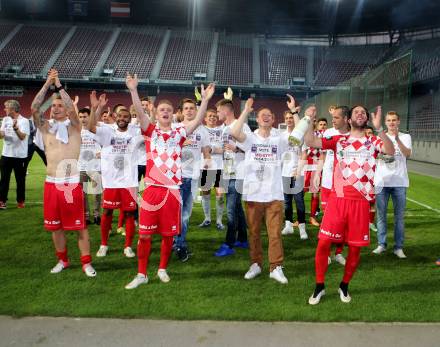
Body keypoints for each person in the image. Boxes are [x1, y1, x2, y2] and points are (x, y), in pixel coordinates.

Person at [124, 74, 215, 289]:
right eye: (161, 110)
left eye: (168, 110)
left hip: (173, 190)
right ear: (155, 114)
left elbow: (198, 119)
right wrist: (133, 90)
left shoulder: (179, 133)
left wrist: (205, 101)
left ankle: (162, 268)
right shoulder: (150, 131)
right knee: (145, 234)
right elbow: (139, 110)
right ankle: (141, 274)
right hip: (153, 189)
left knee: (167, 234)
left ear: (172, 114)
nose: (164, 112)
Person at [305, 104, 394, 304]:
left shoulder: (373, 140)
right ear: (349, 119)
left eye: (364, 112)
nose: (361, 114)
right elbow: (310, 140)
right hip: (338, 200)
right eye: (356, 112)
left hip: (361, 202)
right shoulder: (339, 140)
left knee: (354, 249)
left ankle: (344, 286)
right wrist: (309, 120)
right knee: (323, 243)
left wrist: (380, 128)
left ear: (367, 119)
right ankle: (319, 286)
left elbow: (390, 151)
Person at [30, 68, 96, 277]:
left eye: (60, 106)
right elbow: (34, 107)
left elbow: (71, 108)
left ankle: (86, 263)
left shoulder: (74, 126)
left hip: (71, 183)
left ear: (67, 110)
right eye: (54, 106)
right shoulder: (45, 127)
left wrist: (58, 85)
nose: (56, 108)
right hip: (51, 183)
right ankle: (63, 260)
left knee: (80, 227)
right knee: (55, 227)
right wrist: (47, 84)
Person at [230, 99, 288, 284]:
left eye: (269, 115)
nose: (265, 117)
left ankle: (275, 267)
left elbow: (297, 137)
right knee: (254, 233)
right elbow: (234, 132)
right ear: (257, 118)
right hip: (253, 194)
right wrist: (246, 110)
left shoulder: (279, 139)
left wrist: (296, 113)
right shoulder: (250, 138)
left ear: (273, 120)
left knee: (275, 234)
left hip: (274, 195)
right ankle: (255, 264)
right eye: (262, 115)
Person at [88, 93, 141, 259]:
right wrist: (96, 107)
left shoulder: (135, 132)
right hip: (111, 181)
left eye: (126, 116)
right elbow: (90, 127)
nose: (123, 118)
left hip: (129, 181)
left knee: (131, 214)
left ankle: (128, 246)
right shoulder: (107, 131)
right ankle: (103, 244)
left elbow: (150, 126)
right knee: (107, 212)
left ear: (129, 119)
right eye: (120, 116)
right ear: (115, 116)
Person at [176, 98, 211, 262]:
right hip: (177, 176)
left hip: (193, 176)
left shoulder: (202, 130)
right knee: (177, 214)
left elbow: (206, 152)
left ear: (196, 111)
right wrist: (181, 143)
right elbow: (166, 149)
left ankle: (178, 243)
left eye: (192, 108)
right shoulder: (176, 128)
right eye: (186, 108)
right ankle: (179, 245)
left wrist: (207, 162)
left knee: (186, 214)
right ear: (182, 111)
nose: (189, 111)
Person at [315, 106, 351, 265]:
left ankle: (338, 252)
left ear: (345, 119)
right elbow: (322, 155)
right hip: (328, 182)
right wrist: (317, 173)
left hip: (344, 186)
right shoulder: (328, 133)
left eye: (336, 117)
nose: (333, 120)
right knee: (327, 220)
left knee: (344, 221)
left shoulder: (354, 135)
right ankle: (326, 253)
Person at [373, 111, 412, 259]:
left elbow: (407, 154)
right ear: (385, 122)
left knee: (399, 217)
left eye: (394, 120)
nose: (391, 123)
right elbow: (374, 155)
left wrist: (397, 140)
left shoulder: (405, 136)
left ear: (399, 121)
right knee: (381, 216)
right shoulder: (379, 137)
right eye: (388, 120)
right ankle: (381, 244)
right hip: (381, 181)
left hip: (400, 182)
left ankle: (398, 247)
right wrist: (384, 156)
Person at [213, 98, 249, 257]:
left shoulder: (242, 125)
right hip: (228, 173)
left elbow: (252, 148)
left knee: (231, 211)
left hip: (239, 174)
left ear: (227, 110)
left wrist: (238, 148)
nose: (217, 113)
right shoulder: (224, 128)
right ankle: (242, 239)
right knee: (237, 209)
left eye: (219, 111)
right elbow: (225, 150)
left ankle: (229, 243)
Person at [280, 95, 307, 239]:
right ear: (284, 121)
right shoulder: (281, 136)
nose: (289, 120)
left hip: (297, 172)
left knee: (299, 202)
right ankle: (288, 225)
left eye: (291, 117)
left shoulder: (301, 135)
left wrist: (298, 170)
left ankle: (302, 228)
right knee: (287, 202)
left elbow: (304, 154)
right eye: (287, 118)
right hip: (285, 173)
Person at [0, 100, 30, 209]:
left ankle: (20, 201)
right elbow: (2, 135)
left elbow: (22, 137)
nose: (4, 109)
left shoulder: (24, 121)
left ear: (13, 109)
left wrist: (15, 128)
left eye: (6, 107)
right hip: (6, 155)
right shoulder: (5, 119)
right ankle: (2, 201)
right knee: (4, 179)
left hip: (19, 156)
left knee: (20, 180)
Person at [199, 108, 225, 230]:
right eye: (210, 116)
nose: (212, 118)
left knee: (220, 194)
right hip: (206, 165)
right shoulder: (201, 130)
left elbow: (225, 148)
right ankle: (207, 218)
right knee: (205, 192)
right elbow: (199, 147)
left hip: (220, 166)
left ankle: (219, 220)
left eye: (214, 116)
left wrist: (212, 149)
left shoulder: (222, 129)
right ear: (205, 118)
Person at [78, 107, 102, 225]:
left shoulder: (96, 130)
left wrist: (102, 151)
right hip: (81, 166)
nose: (83, 119)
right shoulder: (76, 131)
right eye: (80, 117)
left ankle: (97, 215)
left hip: (96, 166)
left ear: (89, 117)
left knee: (97, 192)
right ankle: (86, 216)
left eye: (85, 116)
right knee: (83, 193)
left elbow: (107, 143)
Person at [301, 114, 325, 226]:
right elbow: (303, 152)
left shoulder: (322, 135)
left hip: (317, 168)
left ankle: (312, 217)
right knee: (301, 193)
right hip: (306, 168)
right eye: (311, 121)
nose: (312, 123)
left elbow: (323, 153)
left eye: (314, 121)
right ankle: (300, 219)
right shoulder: (305, 135)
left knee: (315, 194)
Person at [365, 126, 377, 232]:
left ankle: (371, 223)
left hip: (373, 177)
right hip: (360, 178)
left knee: (372, 202)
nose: (369, 134)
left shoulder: (376, 145)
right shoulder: (360, 144)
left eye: (371, 133)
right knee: (360, 202)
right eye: (367, 132)